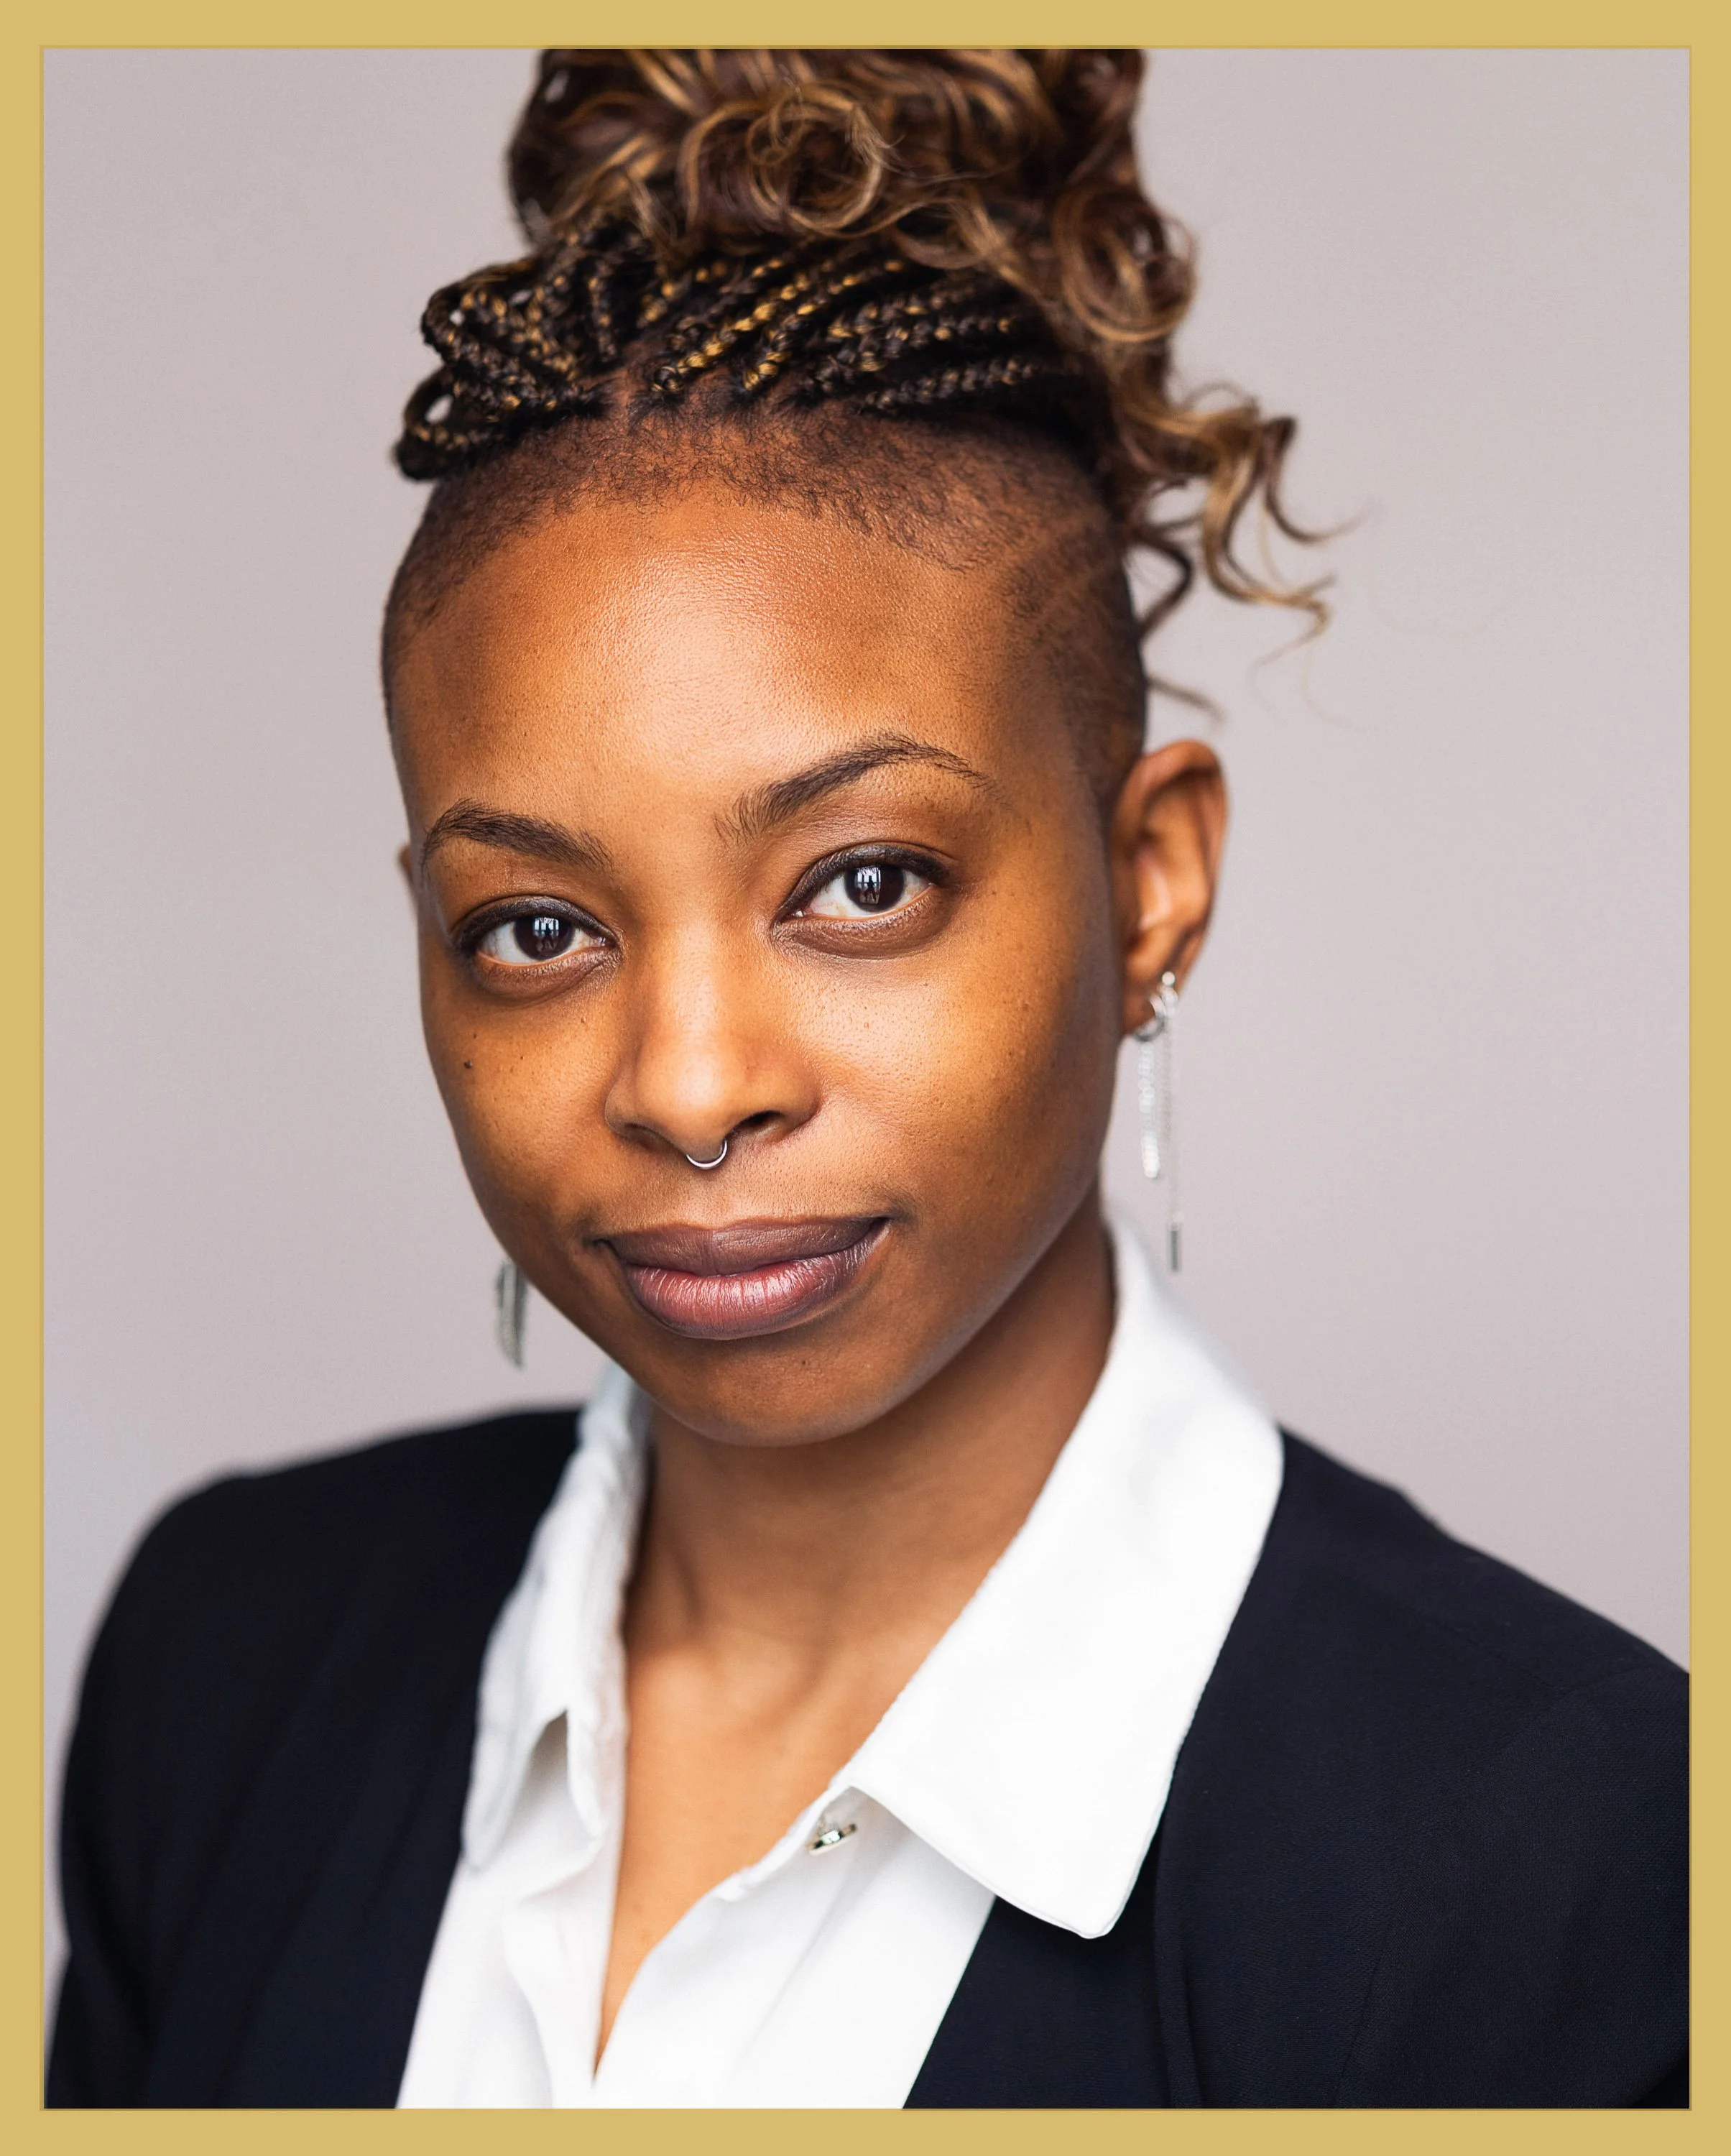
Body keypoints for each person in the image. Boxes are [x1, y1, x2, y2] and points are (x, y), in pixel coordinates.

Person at [47, 49, 1686, 2109]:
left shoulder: (1549, 1859)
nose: (690, 1083)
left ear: (1148, 879)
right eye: (537, 928)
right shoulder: (230, 1659)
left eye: (862, 883)